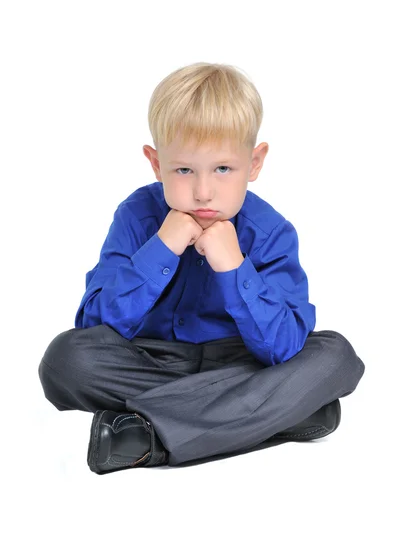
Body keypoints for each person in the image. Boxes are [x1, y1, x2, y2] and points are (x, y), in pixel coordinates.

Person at [38, 62, 366, 475]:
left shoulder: (271, 232)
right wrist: (162, 247)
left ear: (256, 162)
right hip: (155, 361)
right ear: (156, 164)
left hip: (242, 363)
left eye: (223, 169)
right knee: (65, 360)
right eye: (184, 170)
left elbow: (283, 345)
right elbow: (95, 324)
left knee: (334, 355)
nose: (203, 191)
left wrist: (234, 266)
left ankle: (147, 436)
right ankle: (279, 415)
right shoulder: (137, 217)